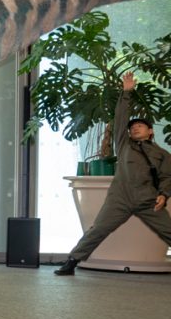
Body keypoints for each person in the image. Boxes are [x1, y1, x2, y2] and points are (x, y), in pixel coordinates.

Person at [55, 72, 171, 275]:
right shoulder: (124, 145)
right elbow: (121, 118)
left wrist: (164, 195)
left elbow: (167, 177)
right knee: (98, 229)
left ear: (150, 131)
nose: (135, 128)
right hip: (120, 198)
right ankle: (72, 261)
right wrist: (126, 93)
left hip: (148, 200)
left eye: (140, 126)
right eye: (133, 127)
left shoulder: (162, 154)